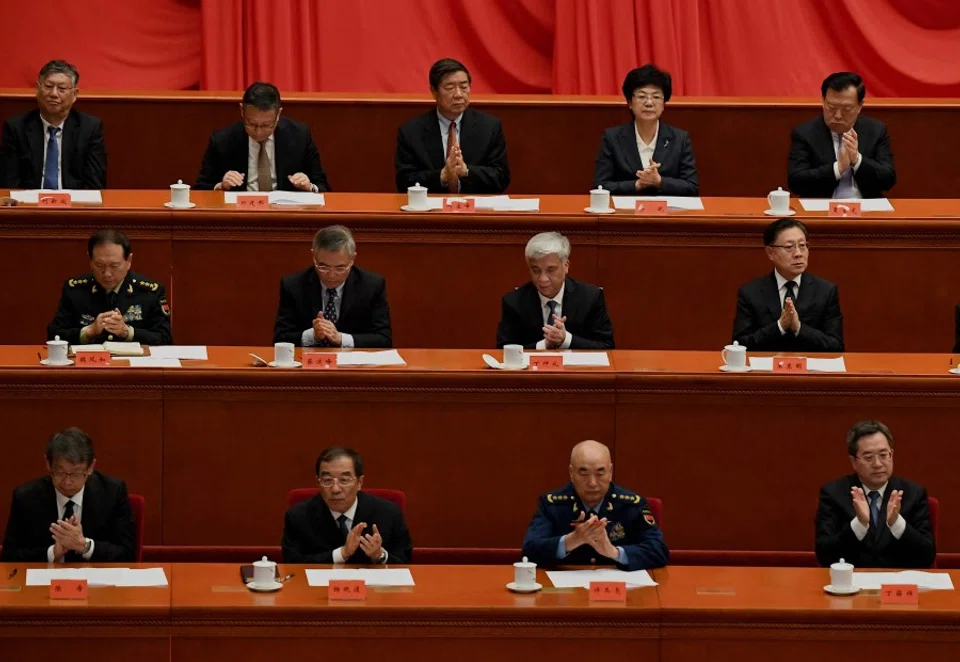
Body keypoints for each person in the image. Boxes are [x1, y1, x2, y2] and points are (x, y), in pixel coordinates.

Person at [522, 440, 668, 571]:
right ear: (571, 473)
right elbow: (529, 551)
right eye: (583, 473)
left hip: (618, 592)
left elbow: (659, 551)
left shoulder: (631, 504)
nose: (592, 483)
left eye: (600, 473)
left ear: (610, 472)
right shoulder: (552, 505)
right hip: (566, 595)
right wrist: (571, 540)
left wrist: (614, 552)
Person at [1, 427, 135, 562]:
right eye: (60, 472)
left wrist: (84, 545)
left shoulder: (113, 492)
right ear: (48, 464)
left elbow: (128, 554)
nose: (67, 482)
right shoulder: (26, 498)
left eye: (76, 473)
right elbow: (10, 556)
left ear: (91, 467)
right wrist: (52, 552)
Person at [815, 420, 935, 568]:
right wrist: (859, 524)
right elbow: (824, 556)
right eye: (869, 457)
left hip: (898, 584)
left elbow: (927, 556)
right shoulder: (833, 494)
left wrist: (897, 523)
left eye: (883, 455)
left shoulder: (913, 494)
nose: (878, 464)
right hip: (852, 585)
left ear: (892, 455)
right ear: (853, 461)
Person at [395, 58, 509, 194]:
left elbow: (501, 178)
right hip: (431, 211)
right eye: (450, 88)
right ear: (434, 92)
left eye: (464, 87)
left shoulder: (490, 127)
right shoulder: (411, 132)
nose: (458, 95)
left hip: (475, 210)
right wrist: (442, 176)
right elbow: (403, 182)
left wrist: (467, 171)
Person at [281, 447, 413, 564]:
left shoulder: (388, 513)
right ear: (318, 483)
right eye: (327, 480)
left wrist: (380, 556)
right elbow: (292, 563)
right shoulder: (298, 517)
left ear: (359, 482)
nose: (335, 489)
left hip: (373, 590)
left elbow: (405, 560)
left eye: (344, 480)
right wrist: (341, 553)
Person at [195, 81, 329, 192]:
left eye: (266, 125)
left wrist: (309, 186)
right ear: (242, 111)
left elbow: (323, 186)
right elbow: (201, 188)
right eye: (251, 124)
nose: (258, 132)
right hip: (239, 215)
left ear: (278, 115)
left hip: (286, 213)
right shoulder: (222, 140)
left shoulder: (299, 135)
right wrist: (221, 186)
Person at [732, 218, 843, 352]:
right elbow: (739, 345)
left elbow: (836, 346)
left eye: (802, 245)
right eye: (789, 247)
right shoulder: (750, 292)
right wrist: (779, 326)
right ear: (770, 253)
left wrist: (799, 328)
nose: (798, 254)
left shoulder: (826, 291)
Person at [47, 229, 173, 345]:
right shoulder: (75, 290)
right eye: (100, 265)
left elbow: (165, 338)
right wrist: (89, 331)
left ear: (128, 261)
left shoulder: (150, 292)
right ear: (90, 261)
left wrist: (128, 332)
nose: (107, 274)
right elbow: (54, 335)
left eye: (114, 266)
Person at [274, 225, 392, 347]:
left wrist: (341, 339)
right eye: (323, 267)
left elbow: (384, 339)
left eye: (340, 268)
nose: (331, 275)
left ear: (352, 259)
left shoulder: (372, 286)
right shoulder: (293, 285)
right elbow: (280, 338)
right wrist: (312, 336)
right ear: (314, 257)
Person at [0, 60, 107, 189]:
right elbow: (10, 184)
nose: (54, 94)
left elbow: (95, 185)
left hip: (73, 205)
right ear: (38, 90)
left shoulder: (90, 128)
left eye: (61, 89)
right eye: (49, 86)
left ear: (74, 95)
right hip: (30, 205)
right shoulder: (16, 128)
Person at [497, 232, 614, 349]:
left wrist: (566, 339)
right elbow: (503, 350)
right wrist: (543, 345)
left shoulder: (590, 297)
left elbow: (607, 346)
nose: (543, 279)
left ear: (566, 266)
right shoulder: (514, 302)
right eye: (536, 270)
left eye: (551, 270)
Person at [787, 72, 896, 199]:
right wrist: (837, 168)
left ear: (860, 106)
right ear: (823, 101)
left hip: (866, 211)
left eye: (847, 109)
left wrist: (857, 160)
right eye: (831, 107)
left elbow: (888, 180)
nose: (838, 115)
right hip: (821, 211)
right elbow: (795, 182)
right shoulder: (804, 133)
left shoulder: (876, 130)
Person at [594, 64, 698, 195]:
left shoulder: (680, 139)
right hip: (626, 214)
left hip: (666, 213)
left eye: (656, 97)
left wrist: (659, 181)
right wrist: (637, 184)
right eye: (642, 96)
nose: (649, 103)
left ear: (663, 103)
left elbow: (692, 187)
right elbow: (600, 186)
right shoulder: (612, 138)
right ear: (630, 103)